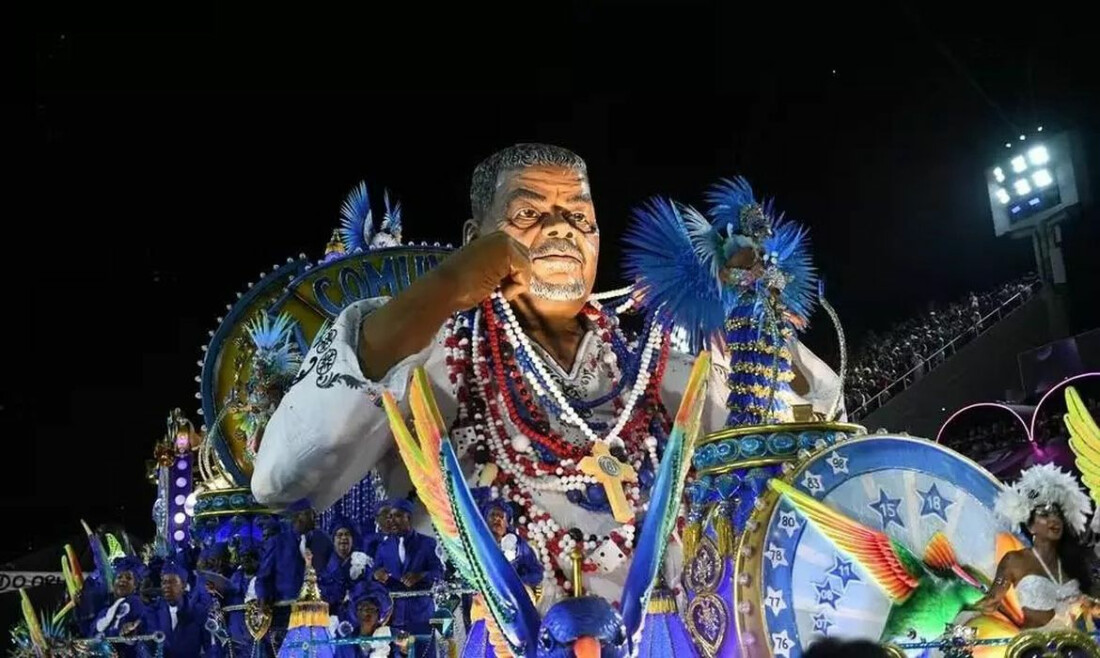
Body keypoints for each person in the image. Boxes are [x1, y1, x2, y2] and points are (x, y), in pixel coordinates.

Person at [251, 143, 844, 607]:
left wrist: (756, 309)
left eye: (578, 215)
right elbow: (284, 481)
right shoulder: (429, 373)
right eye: (529, 213)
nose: (560, 229)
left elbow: (799, 444)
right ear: (472, 239)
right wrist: (441, 290)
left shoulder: (662, 376)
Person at [973, 463, 1099, 629]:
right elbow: (991, 601)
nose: (1054, 520)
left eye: (1058, 514)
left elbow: (1093, 603)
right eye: (1045, 515)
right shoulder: (1014, 560)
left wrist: (1090, 604)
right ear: (1031, 526)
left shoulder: (1076, 561)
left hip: (1078, 647)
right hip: (1035, 648)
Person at [370, 498, 443, 646]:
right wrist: (376, 574)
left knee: (424, 653)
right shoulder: (384, 547)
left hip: (421, 615)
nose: (392, 521)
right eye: (389, 516)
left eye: (397, 516)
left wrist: (420, 575)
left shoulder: (427, 543)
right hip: (395, 615)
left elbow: (439, 573)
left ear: (408, 517)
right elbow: (372, 573)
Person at [144, 560, 213, 657]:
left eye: (172, 582)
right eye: (164, 582)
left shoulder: (198, 611)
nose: (167, 586)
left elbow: (210, 647)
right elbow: (146, 643)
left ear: (184, 585)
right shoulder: (153, 611)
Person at [91, 556, 148, 656]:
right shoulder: (103, 612)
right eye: (119, 577)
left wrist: (132, 635)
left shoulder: (137, 604)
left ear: (135, 585)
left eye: (129, 578)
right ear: (113, 583)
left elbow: (144, 627)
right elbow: (90, 637)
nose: (123, 580)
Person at [334, 583, 395, 658]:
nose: (365, 613)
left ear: (379, 614)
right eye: (361, 609)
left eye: (371, 609)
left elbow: (405, 648)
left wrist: (403, 647)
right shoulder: (346, 641)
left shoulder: (388, 636)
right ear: (356, 613)